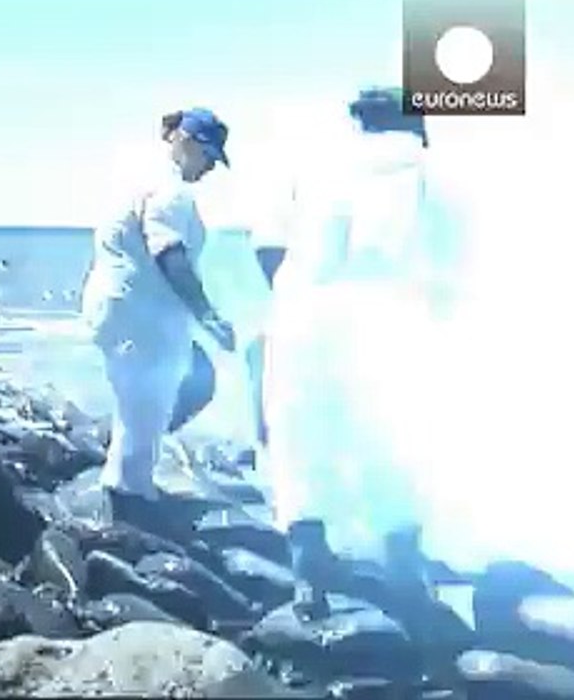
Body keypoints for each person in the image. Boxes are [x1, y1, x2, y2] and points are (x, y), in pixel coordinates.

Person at [264, 86, 451, 619]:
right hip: (381, 320)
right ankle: (406, 582)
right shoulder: (426, 169)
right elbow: (448, 259)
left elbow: (268, 248)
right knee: (393, 446)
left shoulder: (317, 164)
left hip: (301, 319)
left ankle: (308, 585)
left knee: (303, 450)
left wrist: (295, 308)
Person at [80, 107, 239, 531]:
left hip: (119, 307)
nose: (208, 169)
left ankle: (127, 480)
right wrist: (208, 315)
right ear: (186, 142)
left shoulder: (139, 176)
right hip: (139, 315)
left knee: (166, 392)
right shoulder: (170, 192)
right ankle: (131, 504)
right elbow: (168, 253)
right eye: (208, 157)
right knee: (147, 404)